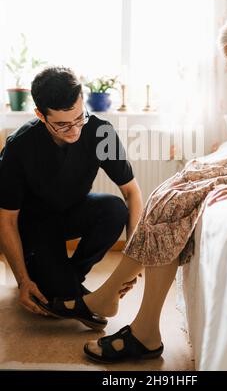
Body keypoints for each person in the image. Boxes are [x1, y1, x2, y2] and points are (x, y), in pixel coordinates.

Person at [37, 9, 227, 362]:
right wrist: (210, 163)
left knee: (174, 204)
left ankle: (128, 317)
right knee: (166, 192)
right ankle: (128, 315)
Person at [0, 67, 143, 329]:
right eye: (63, 124)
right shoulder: (19, 146)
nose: (75, 129)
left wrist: (133, 256)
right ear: (40, 115)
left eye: (79, 118)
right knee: (55, 297)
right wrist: (23, 280)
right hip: (34, 227)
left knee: (114, 209)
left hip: (73, 212)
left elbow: (131, 192)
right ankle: (62, 284)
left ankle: (69, 278)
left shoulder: (101, 132)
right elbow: (6, 220)